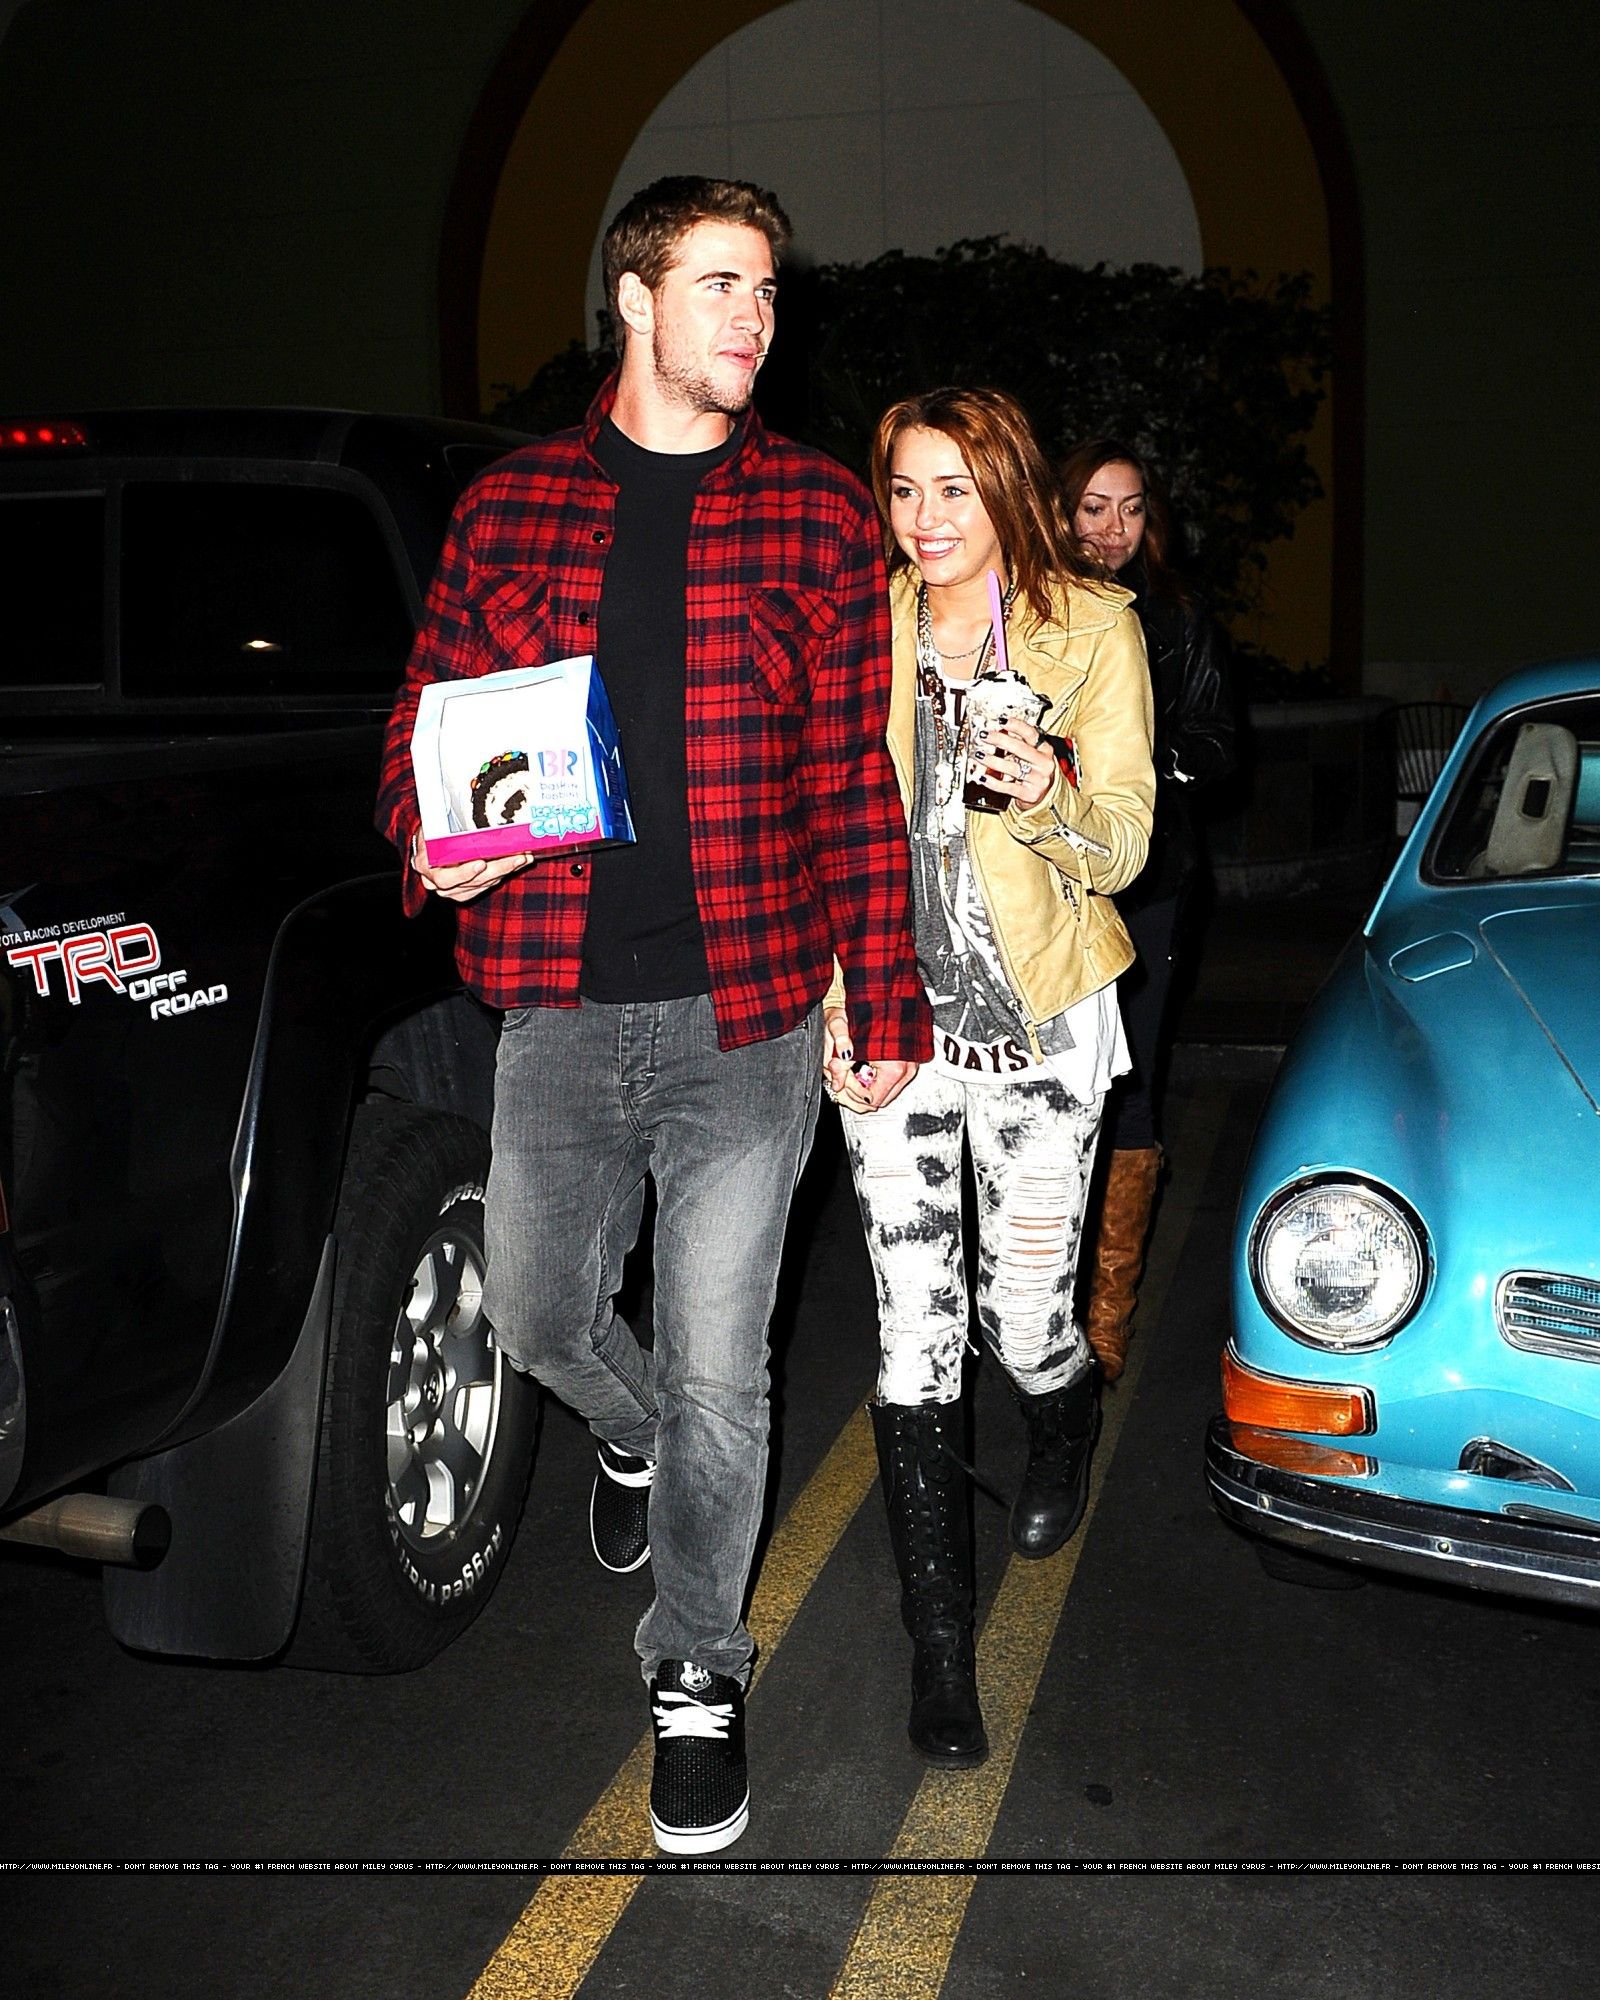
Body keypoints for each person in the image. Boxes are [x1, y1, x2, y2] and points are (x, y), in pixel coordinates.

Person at [376, 176, 930, 1855]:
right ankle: (630, 1441)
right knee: (541, 1318)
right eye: (719, 284)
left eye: (766, 289)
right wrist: (433, 841)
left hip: (746, 1011)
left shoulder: (817, 514)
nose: (754, 316)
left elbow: (854, 781)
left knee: (719, 1366)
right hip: (553, 1001)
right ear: (634, 299)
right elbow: (428, 717)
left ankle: (696, 1668)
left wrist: (882, 991)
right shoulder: (509, 509)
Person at [825, 388, 1153, 1767]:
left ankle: (1064, 1416)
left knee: (1023, 1322)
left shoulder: (1092, 627)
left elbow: (1126, 840)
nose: (925, 519)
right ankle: (941, 1651)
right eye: (904, 490)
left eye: (953, 489)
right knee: (913, 1335)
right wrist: (837, 1001)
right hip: (897, 1024)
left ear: (1008, 488)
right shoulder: (865, 623)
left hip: (1044, 1020)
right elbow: (823, 823)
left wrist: (1046, 795)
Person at [1058, 440, 1236, 1382]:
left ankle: (1107, 1312)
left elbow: (1219, 744)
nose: (1113, 529)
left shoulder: (1176, 616)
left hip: (1149, 881)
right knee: (1045, 1081)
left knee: (1127, 1075)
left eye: (1131, 509)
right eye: (1094, 507)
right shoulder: (1029, 607)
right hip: (1047, 881)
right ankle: (1034, 1294)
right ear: (1060, 511)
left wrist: (1146, 761)